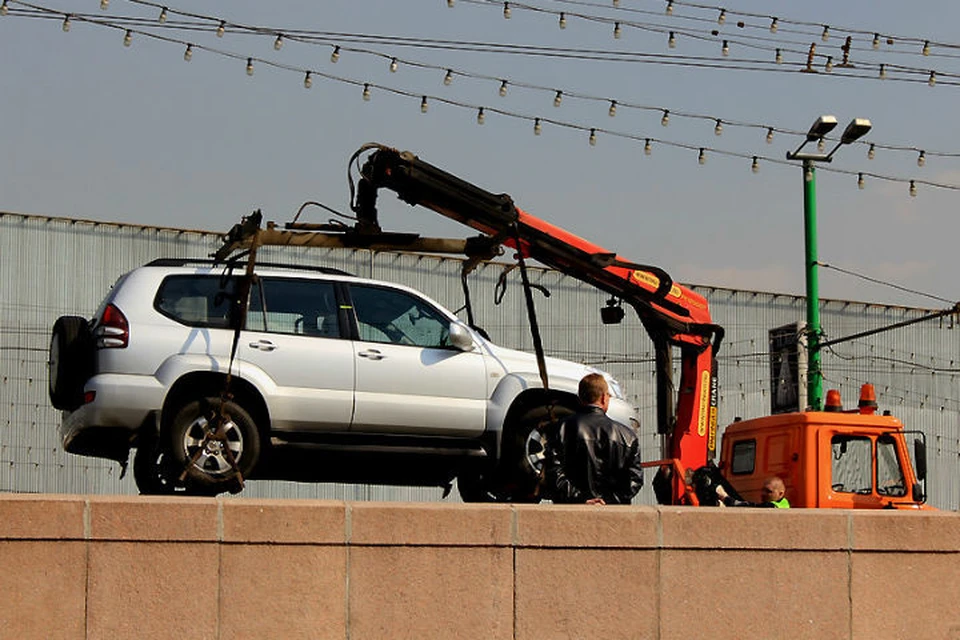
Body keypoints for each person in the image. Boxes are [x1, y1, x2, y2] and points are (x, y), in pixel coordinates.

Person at [544, 373, 643, 505]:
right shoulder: (627, 437)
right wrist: (608, 501)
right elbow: (634, 480)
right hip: (614, 515)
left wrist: (580, 498)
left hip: (570, 512)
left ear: (580, 398)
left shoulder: (560, 429)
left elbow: (553, 473)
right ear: (603, 398)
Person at [716, 475, 790, 508]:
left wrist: (725, 496)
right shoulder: (784, 503)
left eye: (768, 491)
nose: (763, 494)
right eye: (763, 490)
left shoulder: (771, 506)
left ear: (781, 493)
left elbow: (748, 506)